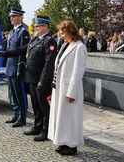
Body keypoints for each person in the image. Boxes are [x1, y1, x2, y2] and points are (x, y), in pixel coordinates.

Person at [48, 20, 87, 156]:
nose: (60, 34)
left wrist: (72, 92)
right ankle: (63, 142)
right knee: (62, 117)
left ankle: (72, 145)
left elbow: (78, 71)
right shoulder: (66, 44)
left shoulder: (79, 47)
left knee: (71, 118)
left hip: (69, 89)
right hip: (60, 87)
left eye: (62, 31)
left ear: (70, 31)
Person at [4, 7, 30, 128]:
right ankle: (16, 114)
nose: (11, 18)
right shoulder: (12, 32)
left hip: (17, 67)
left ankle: (22, 117)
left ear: (20, 17)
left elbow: (22, 52)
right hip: (10, 66)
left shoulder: (23, 32)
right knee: (13, 94)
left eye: (14, 16)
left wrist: (20, 68)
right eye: (11, 16)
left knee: (20, 94)